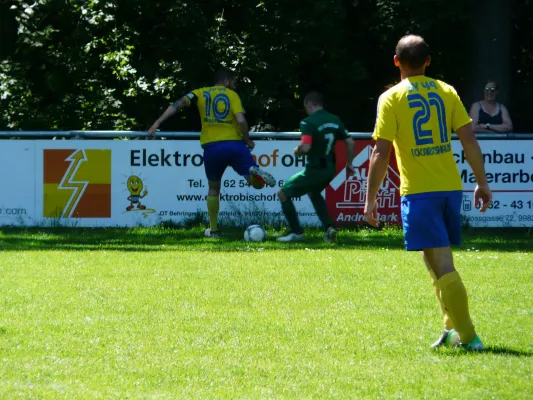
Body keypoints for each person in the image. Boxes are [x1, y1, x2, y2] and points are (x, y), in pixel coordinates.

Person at [365, 35, 492, 350]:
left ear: (396, 61)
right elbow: (469, 141)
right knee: (434, 260)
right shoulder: (446, 91)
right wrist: (482, 182)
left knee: (442, 262)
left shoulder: (391, 98)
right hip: (449, 188)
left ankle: (470, 337)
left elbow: (380, 153)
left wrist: (370, 198)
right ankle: (450, 328)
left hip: (420, 192)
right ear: (428, 61)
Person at [148, 68, 276, 238]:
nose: (235, 85)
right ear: (227, 81)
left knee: (213, 189)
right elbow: (240, 120)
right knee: (258, 185)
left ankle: (213, 229)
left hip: (213, 148)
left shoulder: (199, 93)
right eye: (234, 81)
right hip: (235, 145)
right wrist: (248, 140)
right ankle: (253, 173)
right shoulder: (232, 95)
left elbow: (177, 105)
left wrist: (157, 123)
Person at [277, 91, 355, 243]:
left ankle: (296, 232)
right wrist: (350, 164)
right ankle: (329, 228)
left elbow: (305, 147)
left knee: (282, 193)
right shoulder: (334, 119)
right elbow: (350, 142)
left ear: (307, 104)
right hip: (329, 170)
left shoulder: (308, 122)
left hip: (313, 170)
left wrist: (296, 151)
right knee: (313, 192)